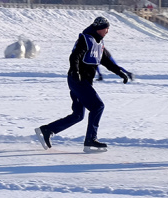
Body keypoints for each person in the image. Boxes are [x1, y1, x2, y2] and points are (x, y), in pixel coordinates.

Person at [35, 16, 133, 153]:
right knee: (98, 106)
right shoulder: (85, 39)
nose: (108, 31)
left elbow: (106, 61)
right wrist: (75, 71)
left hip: (82, 82)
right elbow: (74, 56)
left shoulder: (98, 43)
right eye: (106, 28)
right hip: (78, 80)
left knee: (78, 115)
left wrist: (120, 72)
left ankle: (47, 130)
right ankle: (90, 140)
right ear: (99, 29)